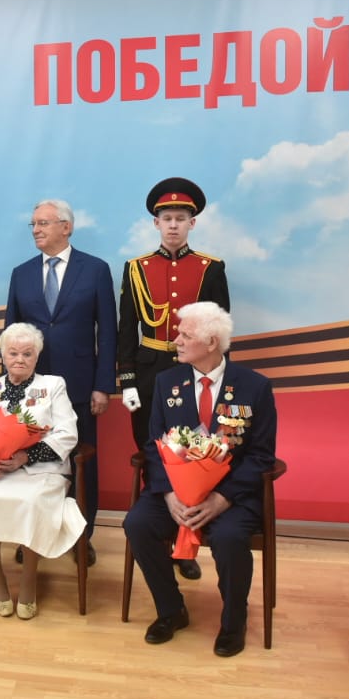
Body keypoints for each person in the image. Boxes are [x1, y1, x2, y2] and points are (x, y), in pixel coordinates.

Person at [123, 301, 277, 658]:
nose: (175, 340)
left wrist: (221, 499)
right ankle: (170, 609)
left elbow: (261, 456)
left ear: (211, 342)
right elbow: (154, 445)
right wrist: (167, 495)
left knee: (229, 537)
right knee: (138, 524)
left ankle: (234, 621)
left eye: (185, 335)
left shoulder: (254, 387)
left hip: (231, 497)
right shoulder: (166, 382)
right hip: (175, 493)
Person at [117, 178, 230, 581]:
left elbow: (220, 332)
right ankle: (158, 537)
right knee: (154, 454)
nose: (173, 225)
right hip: (148, 375)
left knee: (193, 455)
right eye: (167, 219)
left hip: (193, 373)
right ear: (156, 223)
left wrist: (219, 382)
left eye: (181, 218)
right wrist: (127, 380)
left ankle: (187, 543)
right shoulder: (136, 269)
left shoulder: (210, 268)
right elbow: (126, 328)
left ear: (192, 223)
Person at [5, 198, 116, 564]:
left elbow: (108, 332)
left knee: (81, 463)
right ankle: (30, 536)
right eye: (33, 224)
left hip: (81, 384)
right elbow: (11, 333)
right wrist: (11, 386)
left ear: (66, 227)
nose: (36, 230)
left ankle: (82, 537)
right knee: (30, 463)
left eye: (44, 223)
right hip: (31, 388)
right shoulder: (21, 273)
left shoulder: (95, 270)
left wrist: (103, 385)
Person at [0, 323, 84, 620]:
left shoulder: (52, 385)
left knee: (32, 503)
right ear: (3, 355)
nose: (20, 359)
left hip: (42, 470)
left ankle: (29, 579)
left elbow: (68, 433)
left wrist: (26, 456)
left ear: (37, 356)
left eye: (27, 354)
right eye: (13, 353)